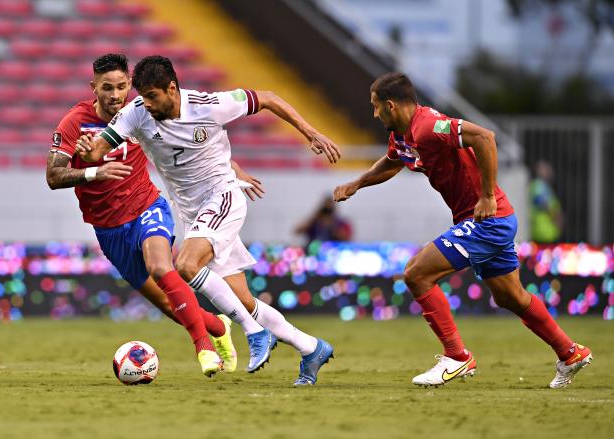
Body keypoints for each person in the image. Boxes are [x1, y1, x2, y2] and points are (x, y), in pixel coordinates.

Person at [77, 55, 338, 385]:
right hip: (193, 214)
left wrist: (310, 132)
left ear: (172, 89)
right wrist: (88, 153)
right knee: (243, 300)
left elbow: (269, 98)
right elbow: (97, 151)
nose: (147, 104)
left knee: (185, 265)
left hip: (223, 198)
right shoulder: (137, 113)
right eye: (142, 97)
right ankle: (311, 348)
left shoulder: (210, 105)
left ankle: (255, 333)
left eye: (153, 97)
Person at [333, 72, 592, 388]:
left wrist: (486, 195)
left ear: (390, 105)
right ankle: (569, 352)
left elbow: (484, 137)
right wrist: (356, 184)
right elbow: (391, 162)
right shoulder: (403, 135)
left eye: (376, 107)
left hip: (487, 220)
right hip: (485, 221)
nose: (374, 114)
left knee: (416, 273)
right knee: (511, 297)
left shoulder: (429, 126)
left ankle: (456, 357)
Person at [46, 53, 236, 377]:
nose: (115, 95)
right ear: (93, 88)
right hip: (109, 229)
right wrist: (93, 172)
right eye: (107, 88)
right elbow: (53, 176)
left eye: (121, 86)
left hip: (147, 206)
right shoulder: (74, 123)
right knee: (166, 303)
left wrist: (229, 170)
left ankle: (203, 347)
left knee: (161, 266)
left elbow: (194, 142)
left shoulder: (142, 113)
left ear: (130, 85)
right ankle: (220, 329)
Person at [529, 160, 563, 243]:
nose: (549, 170)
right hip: (543, 232)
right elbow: (545, 205)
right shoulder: (539, 186)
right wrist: (557, 218)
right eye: (545, 168)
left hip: (546, 231)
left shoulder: (542, 186)